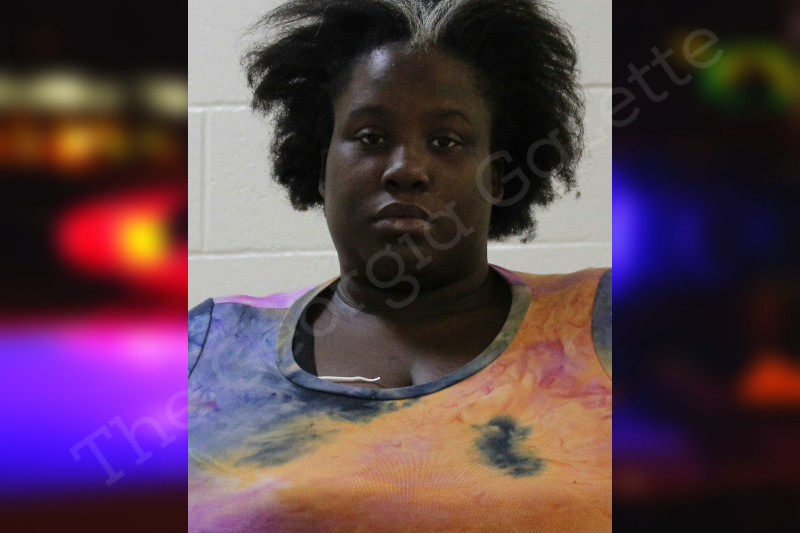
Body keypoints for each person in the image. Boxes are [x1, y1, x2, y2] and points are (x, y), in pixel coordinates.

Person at [188, 0, 611, 531]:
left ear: (497, 176)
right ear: (321, 168)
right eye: (371, 138)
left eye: (445, 141)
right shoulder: (209, 346)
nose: (407, 169)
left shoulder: (606, 321)